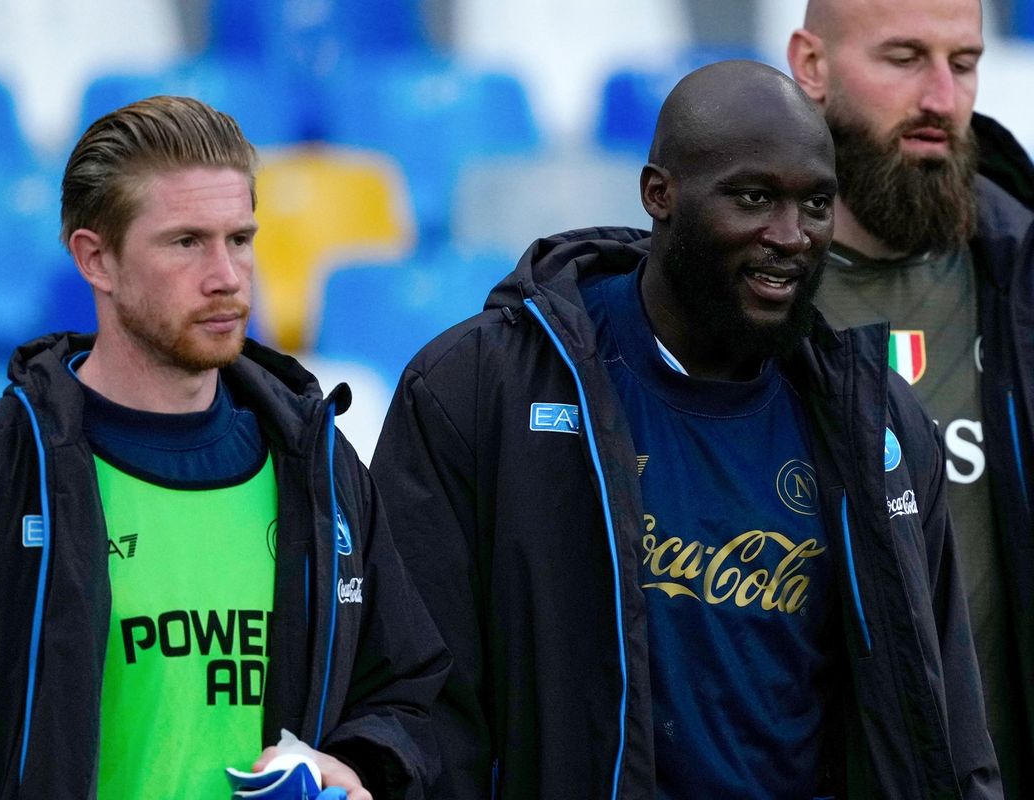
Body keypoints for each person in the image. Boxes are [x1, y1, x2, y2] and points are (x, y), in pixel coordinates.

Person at [371, 60, 1001, 799]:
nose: (792, 236)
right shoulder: (479, 391)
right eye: (754, 198)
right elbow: (421, 706)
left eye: (816, 204)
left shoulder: (881, 430)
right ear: (659, 195)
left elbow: (948, 727)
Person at [0, 95, 449, 800]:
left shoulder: (321, 470)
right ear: (95, 259)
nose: (227, 275)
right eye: (186, 241)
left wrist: (362, 764)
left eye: (241, 239)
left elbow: (408, 695)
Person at [788, 1, 1034, 794]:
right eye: (903, 58)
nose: (940, 97)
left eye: (963, 64)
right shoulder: (723, 300)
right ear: (811, 65)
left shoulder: (1022, 277)